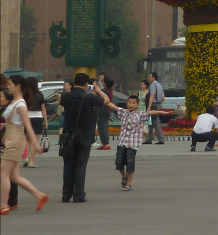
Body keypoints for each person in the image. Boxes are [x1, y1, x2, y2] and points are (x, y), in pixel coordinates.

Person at [98, 92, 169, 190]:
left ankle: (129, 184)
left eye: (133, 103)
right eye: (129, 102)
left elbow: (150, 112)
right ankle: (123, 177)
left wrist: (162, 112)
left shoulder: (140, 114)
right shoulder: (124, 112)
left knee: (130, 163)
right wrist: (101, 96)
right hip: (122, 142)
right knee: (119, 163)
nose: (131, 104)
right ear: (127, 103)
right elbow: (112, 105)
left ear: (137, 105)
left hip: (132, 144)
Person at [0, 75, 50, 215]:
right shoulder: (15, 102)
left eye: (10, 84)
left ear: (18, 87)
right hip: (12, 138)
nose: (8, 86)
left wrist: (35, 143)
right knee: (14, 176)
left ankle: (4, 205)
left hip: (15, 140)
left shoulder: (20, 104)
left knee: (3, 173)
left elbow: (28, 126)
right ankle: (39, 195)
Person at [58, 71, 107, 202]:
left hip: (68, 135)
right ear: (87, 84)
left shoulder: (65, 96)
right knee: (81, 165)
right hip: (85, 136)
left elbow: (60, 101)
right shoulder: (90, 97)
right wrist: (97, 89)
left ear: (73, 83)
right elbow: (106, 101)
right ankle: (78, 195)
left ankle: (66, 194)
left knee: (68, 165)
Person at [20, 78, 47, 170]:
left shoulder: (24, 95)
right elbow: (43, 109)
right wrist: (46, 121)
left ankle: (26, 158)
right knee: (34, 141)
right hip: (38, 118)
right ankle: (32, 161)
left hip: (27, 117)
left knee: (27, 140)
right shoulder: (40, 94)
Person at [146, 72, 167, 145]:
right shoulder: (160, 85)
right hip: (158, 104)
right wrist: (159, 103)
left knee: (155, 122)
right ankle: (148, 139)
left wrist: (149, 106)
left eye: (150, 77)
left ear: (153, 78)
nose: (148, 78)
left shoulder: (152, 85)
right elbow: (163, 97)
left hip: (153, 105)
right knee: (151, 123)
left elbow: (152, 96)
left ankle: (161, 139)